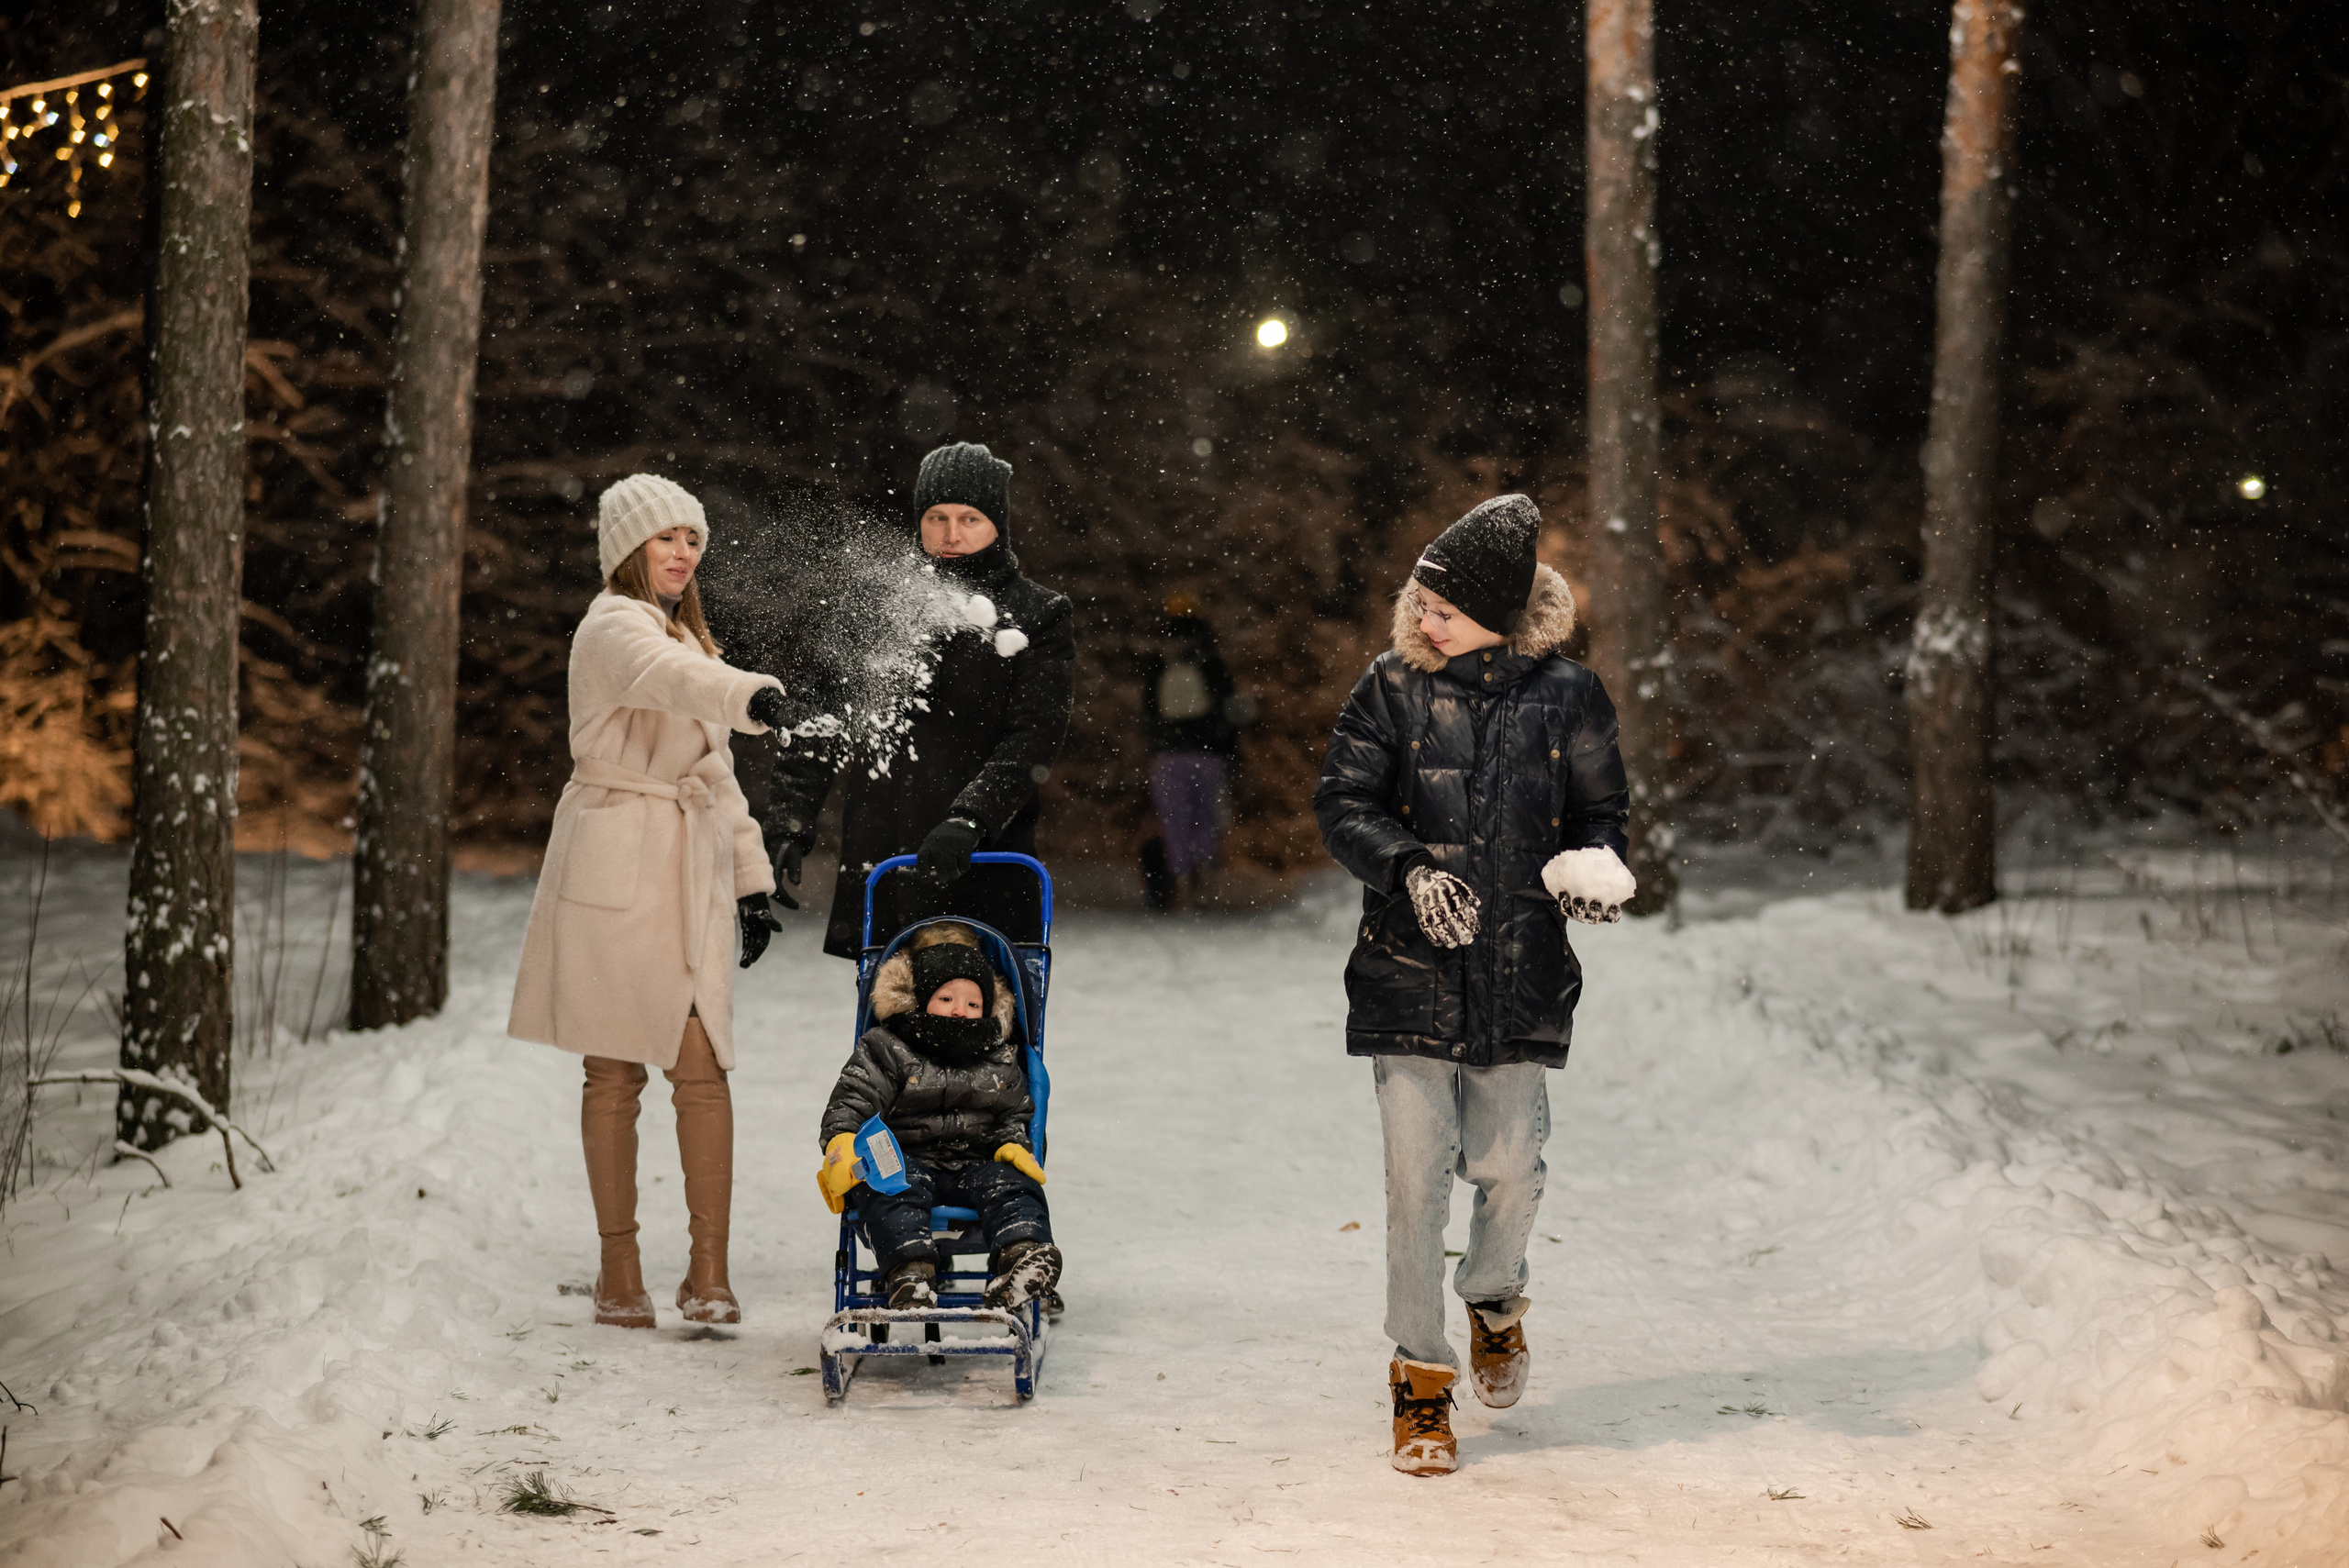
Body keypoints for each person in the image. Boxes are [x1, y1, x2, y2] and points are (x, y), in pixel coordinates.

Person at [1312, 494, 1635, 1476]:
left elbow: (1602, 808)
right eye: (1418, 600)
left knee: (1512, 1170)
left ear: (1498, 612)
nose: (1422, 618)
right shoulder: (1388, 688)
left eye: (1442, 606)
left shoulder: (1570, 694)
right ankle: (1419, 1378)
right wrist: (1408, 867)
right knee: (1414, 1189)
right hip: (1408, 969)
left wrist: (1592, 871)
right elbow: (1342, 800)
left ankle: (1494, 1300)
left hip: (1519, 968)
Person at [508, 473, 794, 1329]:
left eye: (693, 540)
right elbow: (663, 679)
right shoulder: (612, 627)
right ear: (629, 550)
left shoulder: (692, 640)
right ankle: (619, 1270)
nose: (681, 554)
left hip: (689, 863)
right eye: (665, 538)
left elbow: (718, 777)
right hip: (614, 857)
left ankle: (709, 1274)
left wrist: (751, 885)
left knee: (701, 1065)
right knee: (615, 1068)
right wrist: (747, 693)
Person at [764, 442, 1075, 958]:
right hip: (885, 854)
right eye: (936, 517)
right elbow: (817, 716)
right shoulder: (875, 605)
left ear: (998, 523)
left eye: (969, 518)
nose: (951, 534)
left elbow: (1034, 736)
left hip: (986, 857)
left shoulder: (1038, 614)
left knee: (989, 1020)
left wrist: (971, 819)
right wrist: (790, 822)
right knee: (888, 1026)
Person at [815, 923, 1062, 1310]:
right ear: (921, 998)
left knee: (1013, 1184)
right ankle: (910, 1274)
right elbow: (854, 1098)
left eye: (974, 1004)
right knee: (891, 1190)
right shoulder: (888, 1047)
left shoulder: (998, 1054)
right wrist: (842, 1139)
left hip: (976, 1165)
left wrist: (1013, 1143)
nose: (960, 1010)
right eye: (946, 998)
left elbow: (1015, 1110)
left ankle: (1022, 1256)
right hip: (905, 1162)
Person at [1140, 595, 1244, 910]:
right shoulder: (1210, 661)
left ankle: (1182, 887)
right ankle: (1207, 887)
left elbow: (1148, 708)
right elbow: (1229, 709)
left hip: (1169, 754)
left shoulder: (1160, 661)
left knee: (1175, 822)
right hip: (1207, 753)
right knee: (1206, 820)